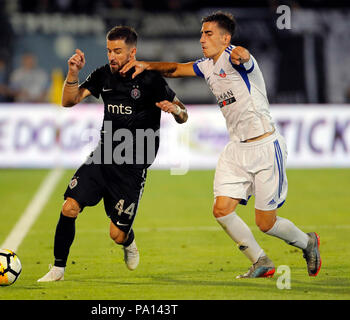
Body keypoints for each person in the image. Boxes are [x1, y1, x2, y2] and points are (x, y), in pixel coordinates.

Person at [120, 11, 321, 278]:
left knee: (266, 223)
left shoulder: (236, 58)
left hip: (264, 147)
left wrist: (243, 53)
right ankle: (260, 260)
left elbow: (245, 57)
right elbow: (176, 69)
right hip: (236, 149)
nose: (202, 38)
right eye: (202, 33)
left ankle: (308, 243)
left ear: (225, 38)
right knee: (221, 210)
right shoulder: (207, 65)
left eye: (209, 33)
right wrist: (146, 65)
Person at [38, 26, 188, 282]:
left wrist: (174, 110)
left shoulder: (150, 79)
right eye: (109, 50)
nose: (112, 56)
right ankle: (58, 269)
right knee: (69, 207)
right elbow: (68, 101)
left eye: (117, 51)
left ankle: (128, 241)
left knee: (116, 235)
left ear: (133, 52)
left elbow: (184, 114)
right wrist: (73, 72)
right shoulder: (103, 76)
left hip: (131, 169)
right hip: (103, 157)